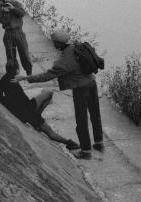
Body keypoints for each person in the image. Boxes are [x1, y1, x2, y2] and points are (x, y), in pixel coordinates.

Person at [13, 28, 104, 160]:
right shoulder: (77, 48)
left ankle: (85, 151)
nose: (53, 44)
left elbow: (48, 75)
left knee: (81, 120)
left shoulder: (65, 61)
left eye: (54, 42)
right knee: (95, 114)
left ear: (58, 44)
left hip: (81, 88)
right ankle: (99, 143)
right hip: (92, 83)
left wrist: (26, 78)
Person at [0, 63, 79, 150]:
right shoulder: (14, 81)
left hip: (23, 109)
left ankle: (39, 120)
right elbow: (22, 100)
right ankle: (70, 143)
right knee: (50, 132)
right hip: (28, 111)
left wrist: (8, 102)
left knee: (47, 94)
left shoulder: (4, 78)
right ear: (17, 70)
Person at [0, 0, 32, 76]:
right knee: (10, 56)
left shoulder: (16, 4)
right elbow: (3, 22)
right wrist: (5, 12)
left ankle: (29, 74)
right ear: (1, 1)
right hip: (8, 34)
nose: (8, 2)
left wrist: (13, 9)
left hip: (19, 32)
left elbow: (22, 14)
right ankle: (13, 75)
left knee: (24, 53)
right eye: (5, 1)